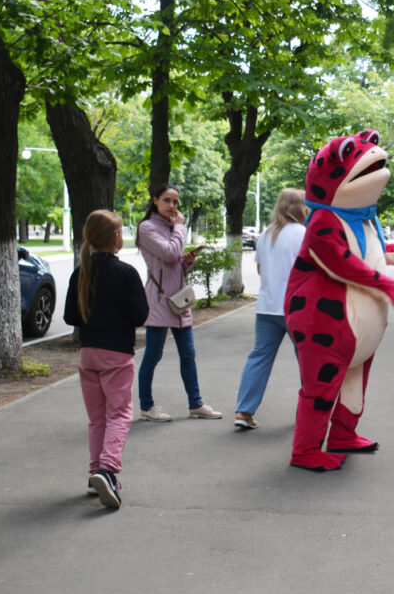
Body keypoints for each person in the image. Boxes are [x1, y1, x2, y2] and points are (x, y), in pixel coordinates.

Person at [64, 210, 149, 509]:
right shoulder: (126, 273)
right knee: (120, 414)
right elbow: (141, 316)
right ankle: (108, 470)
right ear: (116, 238)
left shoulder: (80, 273)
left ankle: (93, 475)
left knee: (97, 418)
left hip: (88, 355)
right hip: (117, 354)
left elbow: (70, 317)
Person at [136, 185, 224, 422]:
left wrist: (187, 262)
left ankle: (196, 404)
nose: (172, 206)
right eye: (167, 201)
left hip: (178, 300)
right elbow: (168, 252)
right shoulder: (147, 227)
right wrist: (180, 227)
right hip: (158, 300)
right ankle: (147, 406)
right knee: (153, 355)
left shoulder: (170, 228)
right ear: (155, 201)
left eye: (176, 202)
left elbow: (173, 261)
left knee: (189, 354)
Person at [233, 188, 308, 430]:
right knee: (307, 361)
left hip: (266, 306)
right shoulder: (302, 233)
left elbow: (260, 270)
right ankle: (306, 414)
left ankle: (244, 411)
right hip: (295, 308)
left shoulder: (267, 233)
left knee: (259, 357)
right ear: (300, 208)